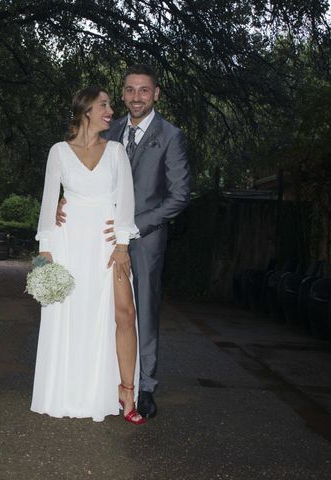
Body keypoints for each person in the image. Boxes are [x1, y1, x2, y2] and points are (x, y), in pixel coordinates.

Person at [57, 65, 190, 419]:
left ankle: (144, 387)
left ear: (156, 94)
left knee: (140, 313)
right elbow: (85, 172)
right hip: (98, 238)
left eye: (143, 90)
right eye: (130, 90)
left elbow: (179, 197)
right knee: (101, 310)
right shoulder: (109, 129)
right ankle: (105, 383)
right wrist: (65, 200)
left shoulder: (171, 136)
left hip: (144, 240)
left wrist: (130, 227)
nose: (135, 97)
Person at [30, 85, 145, 424]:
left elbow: (126, 200)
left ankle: (126, 392)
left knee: (123, 314)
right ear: (86, 111)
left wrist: (122, 244)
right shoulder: (58, 152)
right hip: (68, 243)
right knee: (70, 315)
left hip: (108, 245)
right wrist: (44, 254)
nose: (111, 110)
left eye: (110, 104)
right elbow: (49, 203)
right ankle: (69, 392)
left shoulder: (116, 151)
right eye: (104, 104)